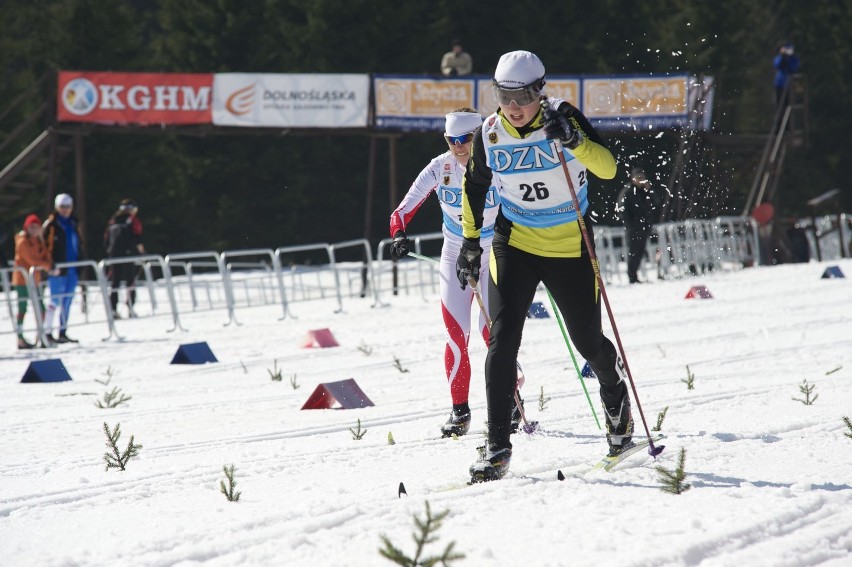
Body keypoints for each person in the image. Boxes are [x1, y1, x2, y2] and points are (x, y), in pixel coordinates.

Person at [456, 50, 627, 482]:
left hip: (570, 245)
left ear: (540, 91)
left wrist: (573, 141)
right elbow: (474, 187)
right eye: (503, 95)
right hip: (516, 243)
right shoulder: (490, 132)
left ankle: (616, 401)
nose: (513, 106)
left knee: (588, 341)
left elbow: (607, 170)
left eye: (523, 96)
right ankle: (497, 447)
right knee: (502, 339)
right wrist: (470, 244)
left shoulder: (564, 118)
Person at [390, 109, 525, 438]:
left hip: (494, 250)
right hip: (455, 253)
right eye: (452, 140)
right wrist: (398, 235)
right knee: (455, 335)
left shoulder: (497, 162)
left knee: (492, 334)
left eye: (465, 139)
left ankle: (510, 400)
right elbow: (403, 209)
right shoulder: (440, 167)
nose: (459, 146)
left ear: (478, 135)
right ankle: (460, 411)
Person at [43, 193, 83, 344]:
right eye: (62, 207)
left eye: (68, 207)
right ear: (57, 207)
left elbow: (79, 242)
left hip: (72, 267)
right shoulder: (51, 224)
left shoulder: (74, 223)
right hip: (58, 268)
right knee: (54, 300)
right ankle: (47, 332)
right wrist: (49, 264)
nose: (65, 210)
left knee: (68, 300)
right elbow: (44, 245)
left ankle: (62, 331)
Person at [12, 215, 53, 349]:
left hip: (34, 280)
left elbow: (46, 257)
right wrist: (47, 266)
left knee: (41, 308)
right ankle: (20, 338)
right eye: (32, 227)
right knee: (22, 308)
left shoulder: (38, 241)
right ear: (27, 227)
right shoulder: (22, 241)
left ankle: (40, 335)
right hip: (22, 280)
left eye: (37, 227)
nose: (34, 230)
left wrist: (42, 239)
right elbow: (31, 261)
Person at [619, 167, 662, 284]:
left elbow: (657, 202)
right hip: (633, 229)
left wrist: (650, 190)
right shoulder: (627, 192)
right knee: (633, 252)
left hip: (644, 227)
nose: (641, 180)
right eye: (638, 178)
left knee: (640, 252)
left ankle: (634, 275)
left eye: (642, 178)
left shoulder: (645, 191)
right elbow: (622, 210)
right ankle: (632, 276)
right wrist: (630, 225)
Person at [104, 198, 145, 318]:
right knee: (130, 282)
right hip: (128, 254)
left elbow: (106, 240)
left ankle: (113, 310)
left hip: (114, 255)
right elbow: (138, 238)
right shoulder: (132, 220)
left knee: (115, 283)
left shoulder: (113, 221)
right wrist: (143, 254)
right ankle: (130, 308)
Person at [773, 42, 800, 106]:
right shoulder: (779, 58)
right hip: (780, 85)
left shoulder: (794, 59)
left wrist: (788, 60)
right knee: (779, 104)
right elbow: (776, 64)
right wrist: (782, 57)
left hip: (790, 85)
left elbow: (793, 68)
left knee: (789, 104)